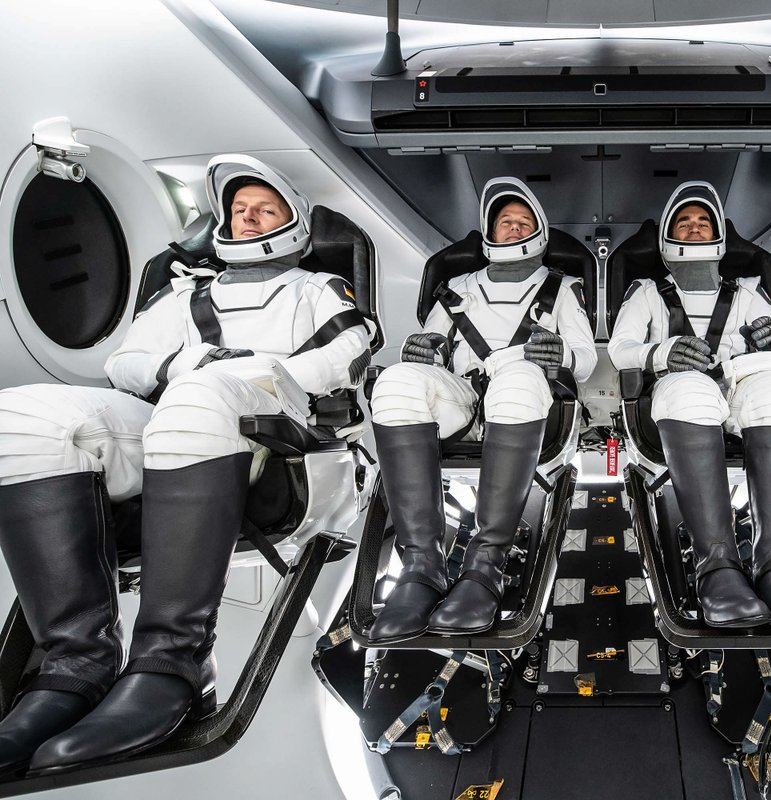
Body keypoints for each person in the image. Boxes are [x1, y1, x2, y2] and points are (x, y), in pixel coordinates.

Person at [0, 155, 371, 773]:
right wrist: (188, 365)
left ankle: (174, 661)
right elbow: (125, 365)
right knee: (21, 415)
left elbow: (345, 356)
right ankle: (75, 666)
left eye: (266, 209)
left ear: (295, 224)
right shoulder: (183, 293)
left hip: (279, 437)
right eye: (240, 209)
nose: (249, 218)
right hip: (180, 415)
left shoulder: (317, 289)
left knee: (202, 393)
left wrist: (246, 370)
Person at [368, 177, 595, 640]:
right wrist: (419, 350)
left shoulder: (563, 287)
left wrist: (562, 354)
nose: (514, 228)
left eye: (524, 221)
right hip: (464, 400)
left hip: (526, 396)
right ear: (490, 232)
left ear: (540, 231)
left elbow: (587, 360)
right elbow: (431, 346)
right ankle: (421, 569)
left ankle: (485, 567)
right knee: (395, 380)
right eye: (505, 221)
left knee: (518, 376)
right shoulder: (456, 287)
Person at [608, 182, 771, 631]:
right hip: (679, 385)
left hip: (741, 384)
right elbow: (620, 349)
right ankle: (716, 566)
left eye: (703, 222)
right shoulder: (646, 291)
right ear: (668, 236)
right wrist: (663, 352)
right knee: (691, 391)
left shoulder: (747, 291)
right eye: (684, 223)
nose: (694, 228)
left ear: (718, 235)